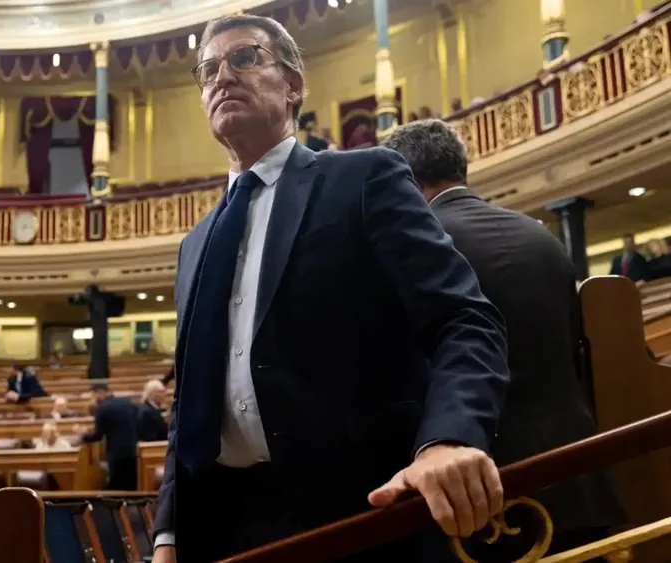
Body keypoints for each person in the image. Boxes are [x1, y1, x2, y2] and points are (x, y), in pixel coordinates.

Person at [153, 15, 509, 563]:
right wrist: (169, 534)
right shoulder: (195, 243)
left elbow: (464, 319)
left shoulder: (362, 178)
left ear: (294, 84)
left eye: (244, 58)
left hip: (360, 515)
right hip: (228, 526)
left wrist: (450, 437)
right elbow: (192, 404)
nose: (222, 76)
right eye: (207, 70)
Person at [383, 119, 627, 557]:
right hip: (579, 467)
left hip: (487, 491)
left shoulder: (421, 244)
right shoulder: (541, 235)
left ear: (402, 181)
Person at [79, 383, 140, 490]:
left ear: (99, 393)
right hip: (133, 449)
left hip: (116, 453)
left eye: (93, 396)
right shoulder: (127, 402)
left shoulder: (102, 408)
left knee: (118, 486)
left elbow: (97, 436)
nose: (93, 399)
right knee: (132, 484)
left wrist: (83, 436)